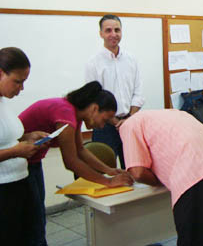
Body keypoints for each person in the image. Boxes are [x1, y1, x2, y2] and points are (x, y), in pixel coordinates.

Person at [19, 81, 133, 246]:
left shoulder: (73, 113)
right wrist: (108, 182)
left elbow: (81, 150)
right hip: (20, 166)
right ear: (94, 109)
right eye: (105, 119)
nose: (102, 125)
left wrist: (109, 170)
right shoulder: (66, 113)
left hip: (32, 163)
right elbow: (71, 161)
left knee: (37, 219)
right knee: (33, 223)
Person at [119, 109, 203, 246]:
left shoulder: (128, 125)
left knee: (195, 240)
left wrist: (159, 181)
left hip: (195, 172)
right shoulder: (170, 113)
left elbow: (137, 173)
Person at [0, 47, 48, 246]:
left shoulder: (3, 101)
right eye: (17, 82)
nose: (21, 89)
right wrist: (15, 151)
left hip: (19, 182)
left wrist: (27, 137)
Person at [85, 14, 145, 168]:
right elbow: (94, 98)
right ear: (101, 34)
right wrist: (115, 121)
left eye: (117, 30)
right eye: (108, 30)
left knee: (134, 171)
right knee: (105, 172)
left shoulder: (132, 60)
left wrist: (129, 118)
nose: (113, 34)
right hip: (104, 126)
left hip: (130, 122)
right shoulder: (93, 63)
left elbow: (138, 92)